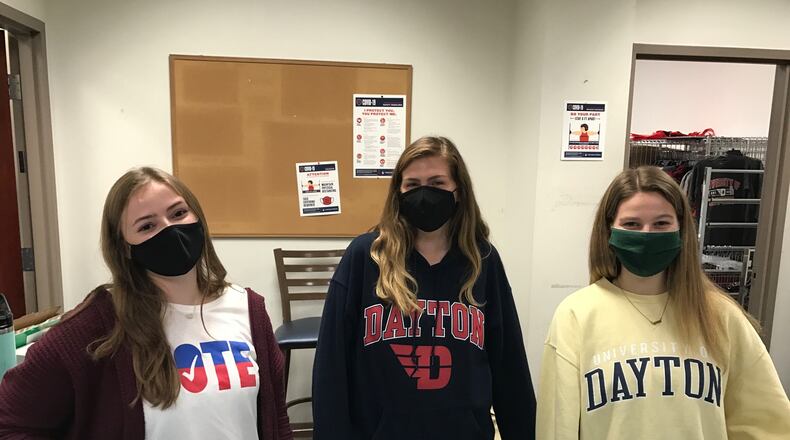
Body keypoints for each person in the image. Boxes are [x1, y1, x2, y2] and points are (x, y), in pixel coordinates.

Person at [0, 167, 292, 439]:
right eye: (147, 226)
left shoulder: (248, 308)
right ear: (125, 247)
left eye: (178, 213)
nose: (169, 230)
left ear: (198, 217)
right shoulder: (98, 324)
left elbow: (276, 419)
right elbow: (12, 423)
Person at [536, 166, 790, 439]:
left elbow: (767, 424)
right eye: (632, 224)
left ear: (681, 230)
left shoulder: (721, 316)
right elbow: (557, 427)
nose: (646, 235)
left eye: (661, 224)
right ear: (608, 230)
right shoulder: (576, 316)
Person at [312, 136, 536, 439]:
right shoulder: (365, 257)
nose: (424, 194)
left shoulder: (483, 260)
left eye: (437, 183)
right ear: (398, 192)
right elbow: (331, 366)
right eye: (412, 185)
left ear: (459, 191)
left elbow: (509, 365)